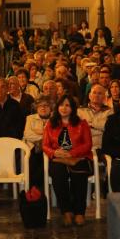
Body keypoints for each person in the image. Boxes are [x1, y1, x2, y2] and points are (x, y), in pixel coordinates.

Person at [42, 95, 92, 226]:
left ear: (73, 108)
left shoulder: (82, 123)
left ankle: (80, 212)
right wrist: (54, 152)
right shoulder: (50, 124)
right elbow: (45, 145)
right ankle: (66, 211)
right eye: (61, 105)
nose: (64, 108)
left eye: (67, 105)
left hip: (78, 157)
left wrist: (71, 153)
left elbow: (87, 144)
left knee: (79, 176)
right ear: (57, 107)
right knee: (58, 174)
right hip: (58, 158)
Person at [78, 84, 110, 151]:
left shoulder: (109, 111)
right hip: (82, 145)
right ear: (89, 96)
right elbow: (78, 130)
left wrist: (90, 124)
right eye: (94, 93)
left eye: (100, 93)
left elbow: (108, 127)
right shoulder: (80, 111)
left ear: (104, 97)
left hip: (101, 147)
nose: (96, 95)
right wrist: (99, 127)